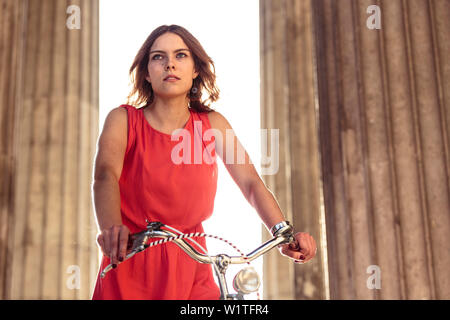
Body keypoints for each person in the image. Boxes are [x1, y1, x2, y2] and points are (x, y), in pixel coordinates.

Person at [91, 24, 317, 300]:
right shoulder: (124, 121)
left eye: (181, 55)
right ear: (147, 73)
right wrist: (112, 230)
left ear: (196, 68)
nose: (170, 64)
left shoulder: (213, 125)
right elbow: (105, 175)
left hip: (194, 264)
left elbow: (250, 183)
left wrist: (283, 233)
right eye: (158, 57)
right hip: (132, 260)